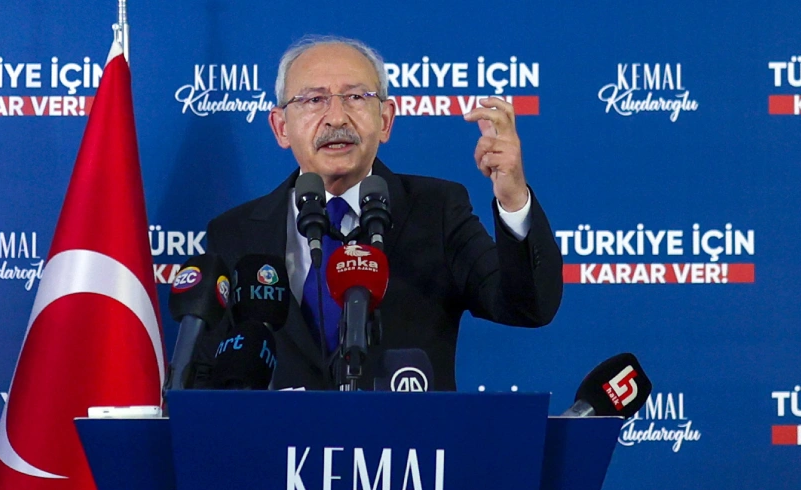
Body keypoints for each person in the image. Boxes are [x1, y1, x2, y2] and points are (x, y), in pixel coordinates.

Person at [196, 35, 562, 390]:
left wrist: (514, 199)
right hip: (280, 434)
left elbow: (528, 307)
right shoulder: (235, 234)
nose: (336, 118)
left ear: (385, 120)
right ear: (281, 128)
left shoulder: (437, 211)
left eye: (356, 97)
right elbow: (206, 375)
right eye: (313, 100)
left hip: (408, 434)